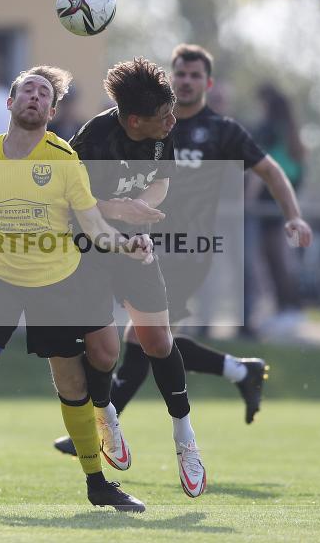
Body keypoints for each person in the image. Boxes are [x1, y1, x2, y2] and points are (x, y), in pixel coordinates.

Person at [54, 44, 312, 454]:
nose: (187, 81)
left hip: (187, 248)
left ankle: (99, 426)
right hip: (135, 242)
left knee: (145, 335)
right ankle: (239, 371)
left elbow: (270, 169)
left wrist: (293, 215)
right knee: (147, 339)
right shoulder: (136, 121)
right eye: (181, 74)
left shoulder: (222, 131)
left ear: (207, 83)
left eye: (196, 75)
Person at [0, 66, 150, 512]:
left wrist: (127, 244)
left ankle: (98, 485)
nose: (35, 97)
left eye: (44, 94)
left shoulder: (65, 160)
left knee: (71, 382)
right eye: (28, 90)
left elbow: (94, 225)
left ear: (51, 110)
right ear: (10, 103)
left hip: (54, 282)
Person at [66, 57, 210, 497]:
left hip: (134, 249)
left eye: (172, 112)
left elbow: (160, 183)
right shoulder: (94, 138)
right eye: (164, 116)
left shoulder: (163, 127)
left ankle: (185, 438)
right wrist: (116, 210)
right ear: (133, 120)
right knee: (105, 353)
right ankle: (105, 414)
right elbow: (73, 200)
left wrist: (138, 220)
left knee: (158, 342)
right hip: (88, 249)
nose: (173, 120)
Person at [247, 84, 307, 334]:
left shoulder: (269, 130)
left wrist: (248, 200)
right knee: (282, 259)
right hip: (287, 197)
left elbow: (258, 166)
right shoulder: (291, 132)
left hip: (270, 199)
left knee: (275, 259)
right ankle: (287, 308)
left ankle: (288, 309)